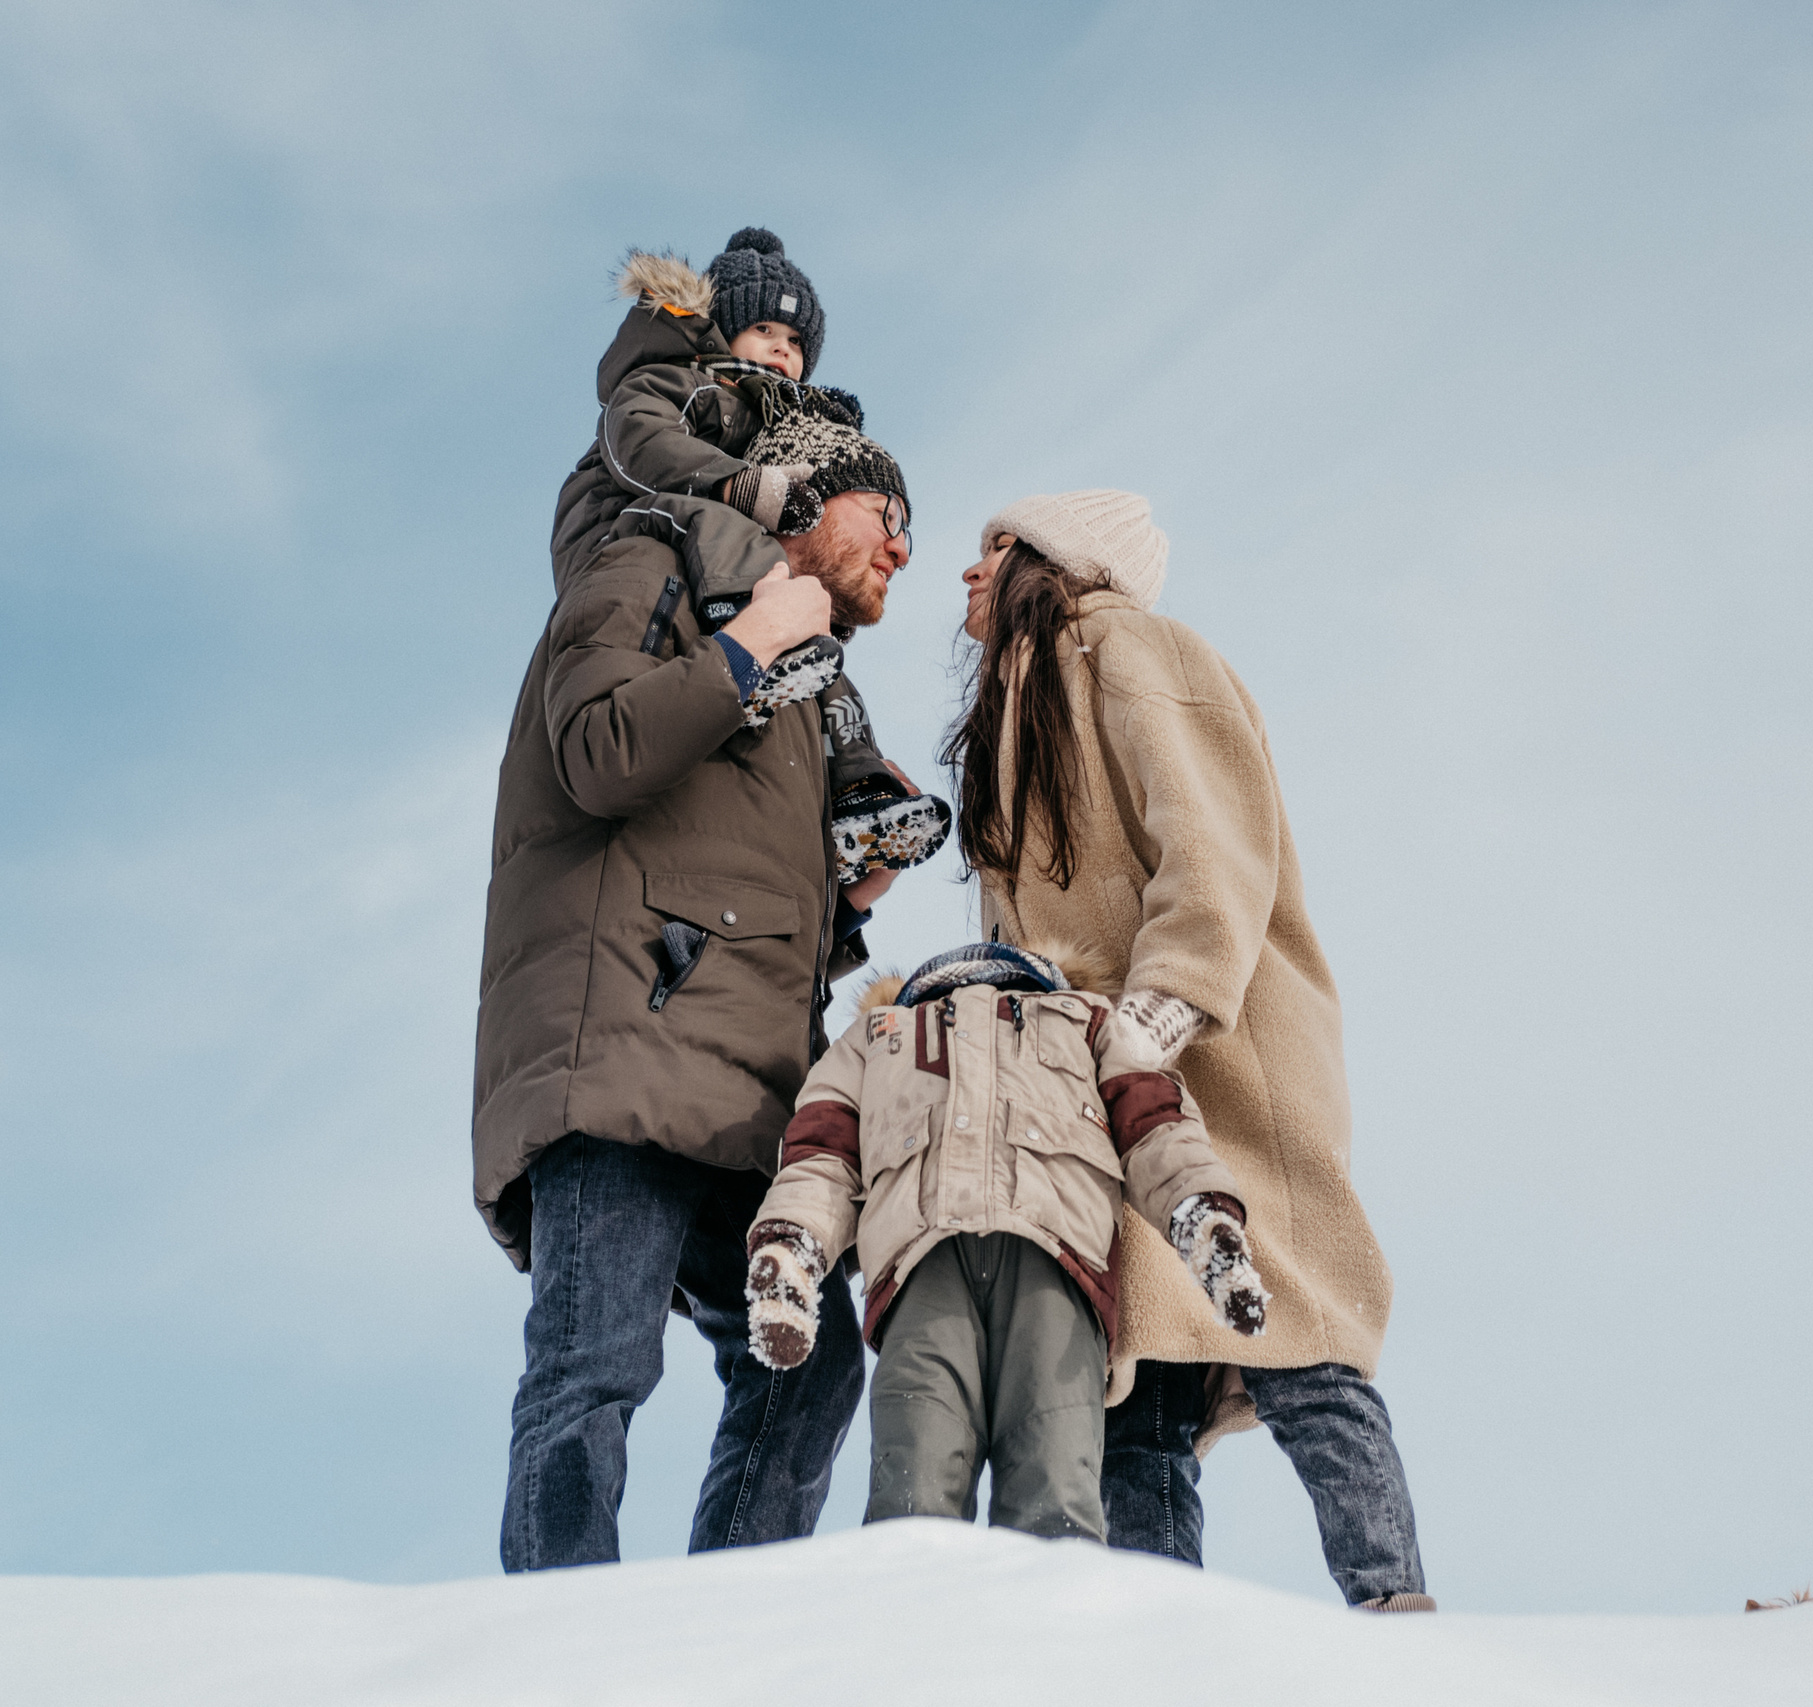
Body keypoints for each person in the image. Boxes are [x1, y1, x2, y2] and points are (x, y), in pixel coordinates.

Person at [945, 490, 1434, 1610]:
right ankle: (1165, 1634)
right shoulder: (1018, 702)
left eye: (996, 546)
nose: (969, 572)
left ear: (1055, 561)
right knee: (1141, 1364)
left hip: (1215, 1057)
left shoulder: (1130, 652)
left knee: (1296, 1313)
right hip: (1095, 1077)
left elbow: (1213, 838)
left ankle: (1395, 1607)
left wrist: (1170, 1002)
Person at [473, 386, 922, 1572]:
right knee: (595, 1362)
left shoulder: (809, 702)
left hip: (741, 1087)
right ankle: (555, 1648)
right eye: (885, 510)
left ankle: (721, 1629)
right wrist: (747, 644)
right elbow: (595, 748)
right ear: (806, 500)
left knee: (810, 1366)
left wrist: (847, 903)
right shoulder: (646, 561)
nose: (903, 548)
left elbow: (740, 889)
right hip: (624, 1039)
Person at [735, 939, 1269, 1541]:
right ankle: (914, 1619)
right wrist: (794, 1243)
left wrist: (1200, 1212)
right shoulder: (877, 1037)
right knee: (913, 1488)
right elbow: (822, 1154)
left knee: (1055, 1485)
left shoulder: (1086, 1021)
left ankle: (1046, 1628)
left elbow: (1155, 1125)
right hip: (922, 1270)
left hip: (1056, 1267)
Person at [549, 226, 946, 884]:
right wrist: (737, 484)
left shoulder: (765, 427)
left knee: (811, 637)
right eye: (766, 331)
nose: (783, 353)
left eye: (795, 344)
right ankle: (751, 630)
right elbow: (638, 440)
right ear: (720, 329)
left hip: (713, 550)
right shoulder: (687, 386)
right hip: (630, 519)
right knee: (745, 543)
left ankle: (858, 789)